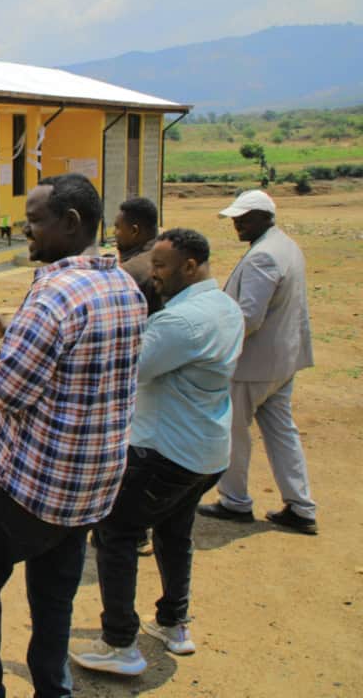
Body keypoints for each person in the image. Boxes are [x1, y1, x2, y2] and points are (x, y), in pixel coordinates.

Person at [0, 173, 146, 698]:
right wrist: (6, 331)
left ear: (69, 224)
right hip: (89, 489)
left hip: (25, 488)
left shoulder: (53, 297)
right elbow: (69, 370)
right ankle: (54, 688)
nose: (25, 231)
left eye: (34, 222)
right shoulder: (124, 287)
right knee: (55, 597)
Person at [70, 229, 244, 676]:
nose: (154, 276)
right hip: (205, 451)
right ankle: (173, 622)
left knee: (116, 533)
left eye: (162, 267)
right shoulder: (224, 306)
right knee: (174, 533)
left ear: (191, 265)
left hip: (163, 451)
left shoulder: (181, 323)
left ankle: (120, 643)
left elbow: (130, 368)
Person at [198, 190, 317, 533]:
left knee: (233, 431)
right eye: (236, 217)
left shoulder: (263, 257)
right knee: (282, 433)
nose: (237, 223)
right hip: (282, 361)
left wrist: (215, 342)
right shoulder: (286, 245)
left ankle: (234, 501)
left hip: (253, 365)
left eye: (244, 217)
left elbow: (249, 318)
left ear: (265, 217)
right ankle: (301, 505)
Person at [113, 197, 163, 315]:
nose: (114, 233)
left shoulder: (128, 272)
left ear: (134, 231)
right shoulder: (167, 256)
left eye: (117, 227)